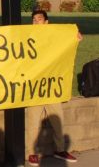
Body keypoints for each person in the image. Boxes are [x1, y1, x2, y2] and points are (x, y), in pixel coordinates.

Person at [27, 10, 78, 166]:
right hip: (35, 87)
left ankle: (60, 149)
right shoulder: (27, 37)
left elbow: (66, 45)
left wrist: (75, 40)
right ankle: (32, 153)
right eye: (34, 20)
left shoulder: (55, 36)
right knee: (33, 121)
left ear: (47, 22)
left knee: (58, 119)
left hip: (51, 86)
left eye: (39, 19)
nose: (36, 22)